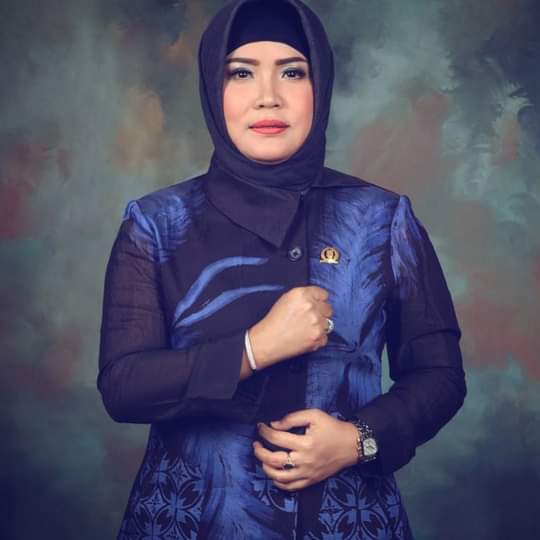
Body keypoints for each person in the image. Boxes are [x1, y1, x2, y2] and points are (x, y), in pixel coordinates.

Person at [97, 0, 466, 538]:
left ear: (321, 85)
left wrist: (359, 439)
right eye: (241, 73)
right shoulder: (156, 224)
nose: (268, 96)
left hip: (347, 521)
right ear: (213, 89)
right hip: (190, 522)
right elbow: (123, 387)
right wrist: (253, 350)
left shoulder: (381, 219)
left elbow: (440, 375)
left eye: (292, 72)